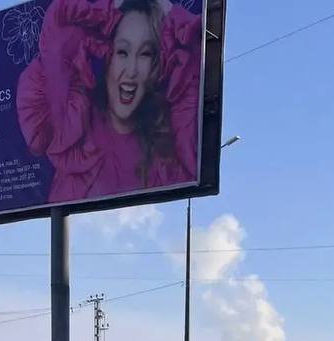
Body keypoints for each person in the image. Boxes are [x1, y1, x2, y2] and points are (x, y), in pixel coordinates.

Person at [18, 0, 202, 205]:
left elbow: (197, 50)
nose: (131, 71)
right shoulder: (76, 130)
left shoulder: (168, 155)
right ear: (105, 54)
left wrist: (165, 8)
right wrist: (106, 9)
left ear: (156, 66)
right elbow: (57, 37)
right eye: (122, 52)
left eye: (145, 54)